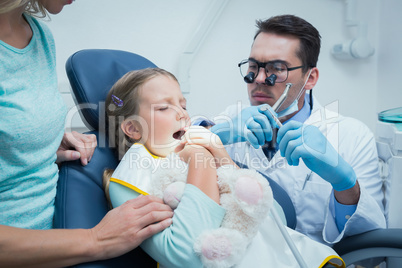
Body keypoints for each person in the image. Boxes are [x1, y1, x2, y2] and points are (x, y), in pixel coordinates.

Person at [103, 67, 345, 268]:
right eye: (164, 108)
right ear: (133, 128)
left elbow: (273, 221)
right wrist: (202, 159)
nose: (183, 115)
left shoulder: (197, 154)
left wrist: (221, 155)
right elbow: (186, 254)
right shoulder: (135, 172)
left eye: (184, 105)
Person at [0, 1, 173, 267]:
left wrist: (40, 142)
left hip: (63, 236)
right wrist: (97, 240)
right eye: (164, 107)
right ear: (132, 127)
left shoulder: (37, 34)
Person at [209, 14, 386, 246]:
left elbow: (371, 252)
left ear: (310, 78)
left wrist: (344, 183)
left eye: (277, 68)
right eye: (254, 66)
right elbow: (167, 159)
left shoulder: (353, 136)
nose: (260, 78)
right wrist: (217, 134)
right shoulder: (231, 120)